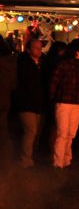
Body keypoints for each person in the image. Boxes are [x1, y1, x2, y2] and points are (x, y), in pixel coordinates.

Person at [50, 39, 79, 169]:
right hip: (65, 102)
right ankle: (58, 161)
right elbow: (54, 82)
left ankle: (66, 160)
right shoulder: (65, 65)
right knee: (63, 133)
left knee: (70, 133)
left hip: (76, 102)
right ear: (77, 51)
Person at [13, 38, 47, 168]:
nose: (39, 50)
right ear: (28, 49)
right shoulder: (23, 64)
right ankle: (26, 159)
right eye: (36, 48)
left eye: (40, 47)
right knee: (30, 131)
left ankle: (32, 155)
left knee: (36, 131)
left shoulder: (42, 63)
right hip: (26, 102)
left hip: (39, 102)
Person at [0, 40, 17, 168]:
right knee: (3, 132)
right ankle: (7, 162)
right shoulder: (11, 63)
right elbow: (13, 85)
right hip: (5, 100)